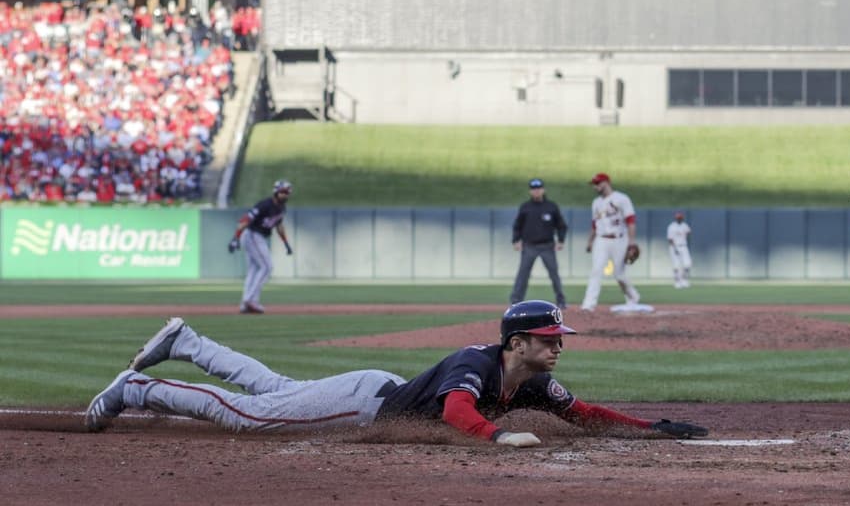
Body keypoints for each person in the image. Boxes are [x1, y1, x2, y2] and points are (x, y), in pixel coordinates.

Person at [84, 302, 709, 444]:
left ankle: (186, 341)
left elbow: (584, 413)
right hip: (364, 404)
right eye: (550, 339)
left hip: (373, 384)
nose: (559, 347)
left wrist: (649, 427)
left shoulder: (534, 380)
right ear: (518, 341)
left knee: (273, 389)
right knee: (248, 414)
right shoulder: (474, 365)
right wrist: (497, 436)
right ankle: (140, 387)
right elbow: (456, 414)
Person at [228, 180, 293, 314]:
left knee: (254, 269)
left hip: (259, 236)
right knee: (267, 267)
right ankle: (250, 300)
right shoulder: (265, 205)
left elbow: (279, 226)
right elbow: (246, 219)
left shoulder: (281, 208)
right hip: (253, 234)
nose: (286, 195)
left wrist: (286, 243)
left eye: (287, 192)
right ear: (276, 192)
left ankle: (245, 303)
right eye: (283, 192)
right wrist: (236, 237)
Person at [583, 173, 641, 311]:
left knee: (619, 275)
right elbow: (594, 225)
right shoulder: (596, 203)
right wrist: (590, 241)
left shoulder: (621, 198)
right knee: (596, 271)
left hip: (620, 239)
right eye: (594, 184)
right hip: (601, 239)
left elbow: (631, 221)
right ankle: (588, 305)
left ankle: (633, 297)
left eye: (598, 183)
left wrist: (631, 242)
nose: (595, 186)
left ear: (606, 183)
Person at [510, 178, 568, 308]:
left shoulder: (551, 206)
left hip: (547, 246)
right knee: (523, 275)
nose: (536, 191)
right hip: (529, 246)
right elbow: (517, 226)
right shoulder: (525, 207)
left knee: (554, 274)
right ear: (530, 191)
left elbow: (562, 225)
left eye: (538, 188)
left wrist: (561, 240)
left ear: (543, 190)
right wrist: (515, 240)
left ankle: (561, 301)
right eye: (533, 189)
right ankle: (515, 301)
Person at [666, 211, 693, 289]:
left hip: (683, 246)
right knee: (676, 265)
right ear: (675, 218)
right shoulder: (672, 226)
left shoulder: (684, 225)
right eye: (678, 218)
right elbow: (670, 239)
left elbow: (689, 231)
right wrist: (675, 248)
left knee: (687, 264)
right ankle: (677, 282)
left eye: (680, 218)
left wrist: (683, 237)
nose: (679, 219)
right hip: (674, 247)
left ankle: (684, 280)